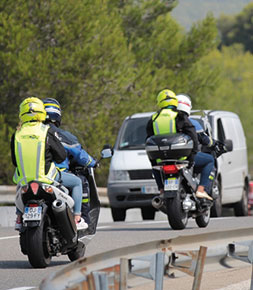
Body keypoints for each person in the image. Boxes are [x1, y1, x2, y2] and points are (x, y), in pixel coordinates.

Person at [11, 97, 87, 231]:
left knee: (19, 187)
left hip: (24, 181)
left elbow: (14, 161)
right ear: (41, 112)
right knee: (76, 182)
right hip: (47, 178)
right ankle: (77, 218)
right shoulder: (46, 132)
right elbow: (61, 156)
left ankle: (18, 218)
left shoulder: (17, 134)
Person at [42, 98, 97, 226]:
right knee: (79, 182)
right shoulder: (61, 135)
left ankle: (19, 217)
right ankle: (78, 217)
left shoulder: (32, 133)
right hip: (55, 176)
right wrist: (93, 163)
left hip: (31, 176)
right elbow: (80, 155)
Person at [146, 89, 199, 194]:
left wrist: (153, 160)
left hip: (161, 157)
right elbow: (192, 134)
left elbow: (149, 139)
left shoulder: (153, 118)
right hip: (180, 157)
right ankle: (198, 189)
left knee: (155, 167)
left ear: (159, 101)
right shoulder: (179, 116)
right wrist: (193, 154)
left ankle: (161, 188)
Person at [176, 93, 214, 200]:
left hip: (169, 158)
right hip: (187, 158)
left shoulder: (169, 121)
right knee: (210, 160)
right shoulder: (192, 123)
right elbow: (206, 140)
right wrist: (212, 143)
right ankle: (201, 190)